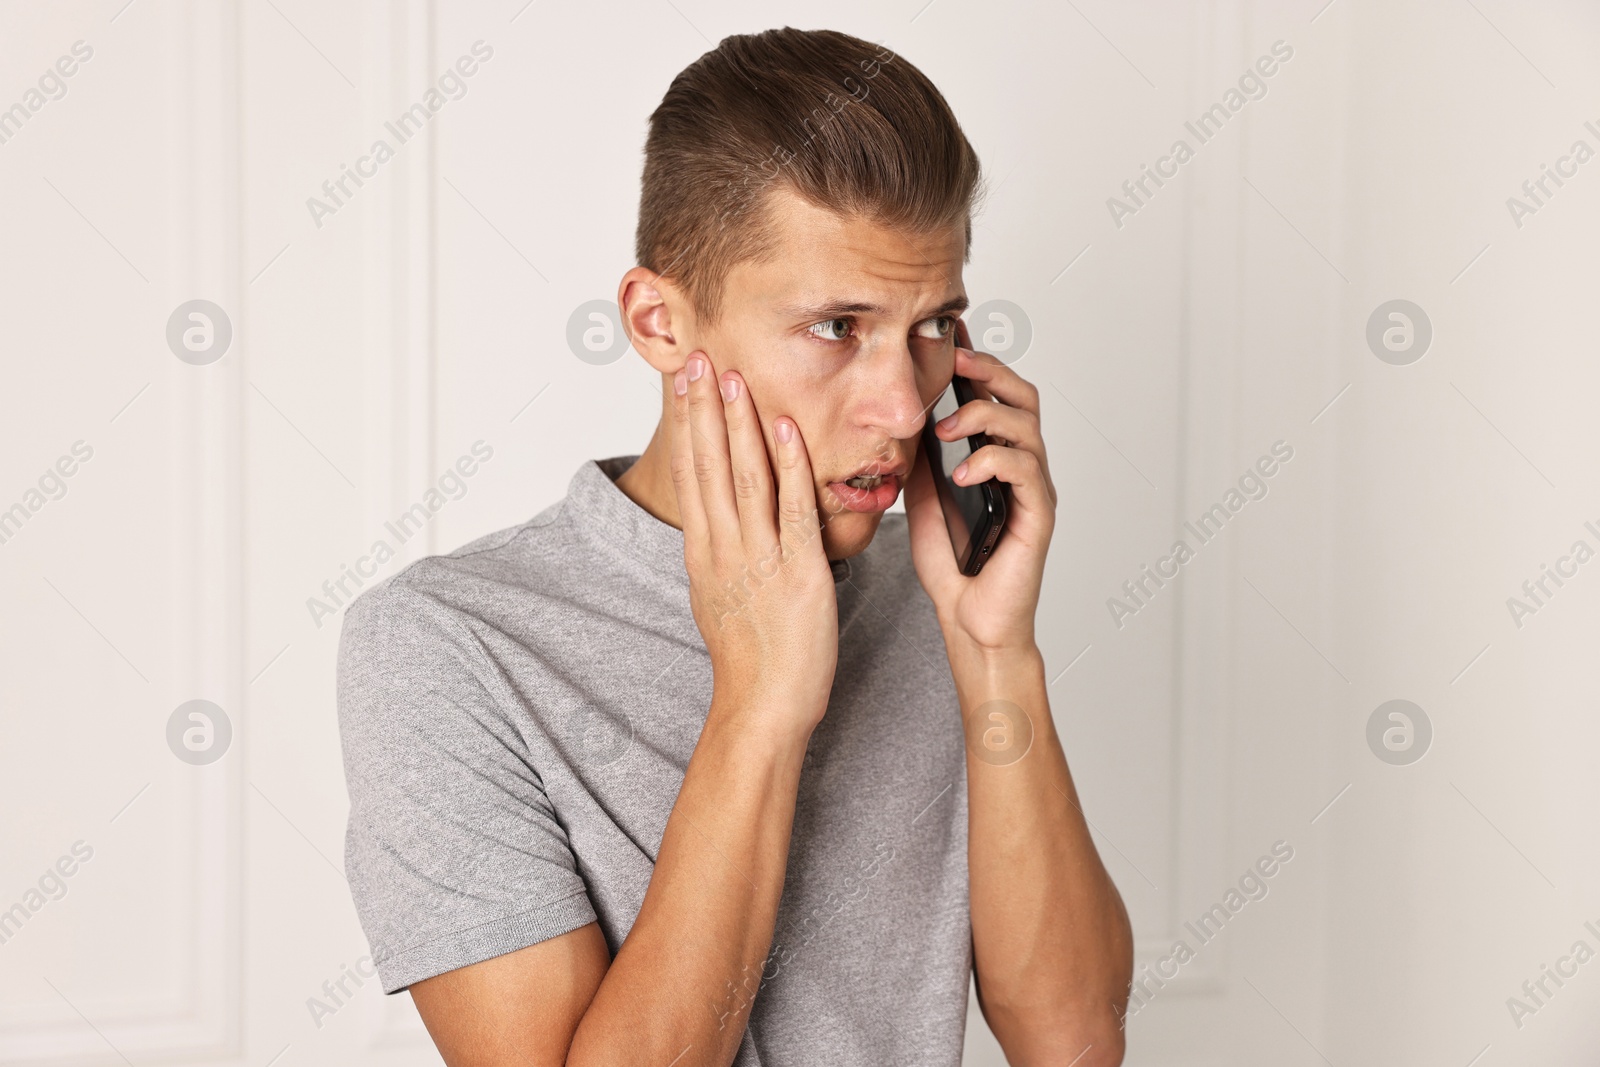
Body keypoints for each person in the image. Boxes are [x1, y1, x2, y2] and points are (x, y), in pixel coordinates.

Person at [336, 26, 1132, 1067]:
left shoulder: (937, 593)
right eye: (837, 326)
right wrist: (760, 702)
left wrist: (995, 650)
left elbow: (1073, 1043)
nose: (901, 404)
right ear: (662, 323)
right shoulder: (447, 646)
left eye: (933, 323)